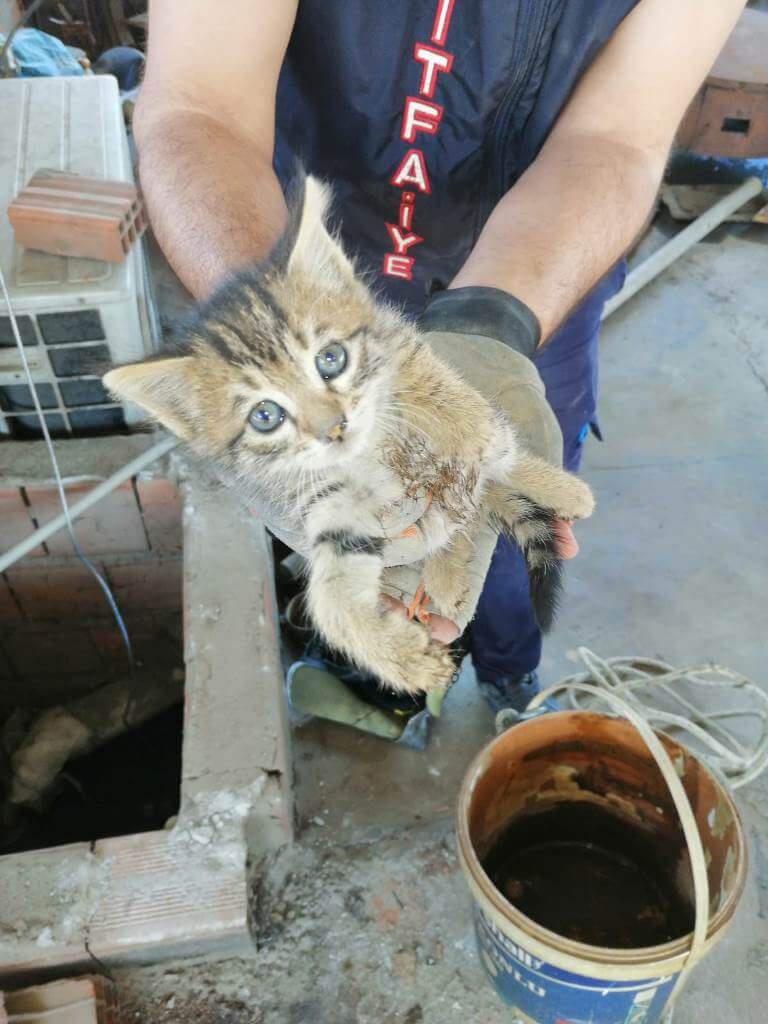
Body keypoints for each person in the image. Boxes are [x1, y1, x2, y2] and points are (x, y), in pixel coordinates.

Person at [134, 0, 746, 726]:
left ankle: (509, 673)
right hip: (318, 263)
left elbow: (617, 135)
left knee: (509, 520)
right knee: (352, 542)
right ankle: (382, 684)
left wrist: (490, 326)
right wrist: (275, 352)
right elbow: (200, 108)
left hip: (538, 273)